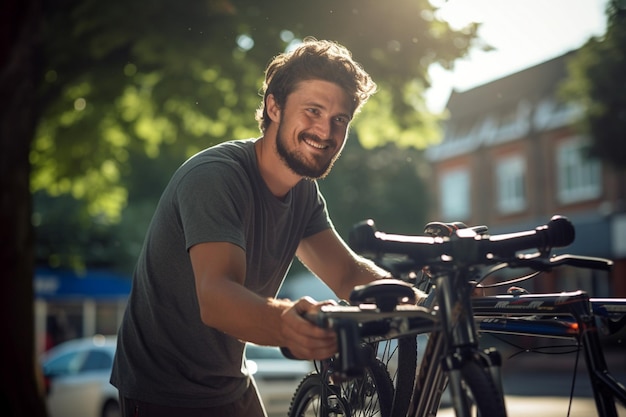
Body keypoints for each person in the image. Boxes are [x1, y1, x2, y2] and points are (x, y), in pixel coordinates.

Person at [111, 37, 420, 417]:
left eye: (339, 119)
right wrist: (289, 325)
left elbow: (346, 272)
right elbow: (217, 298)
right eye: (312, 111)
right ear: (274, 107)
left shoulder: (304, 193)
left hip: (230, 382)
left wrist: (427, 302)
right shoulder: (216, 177)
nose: (326, 132)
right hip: (162, 391)